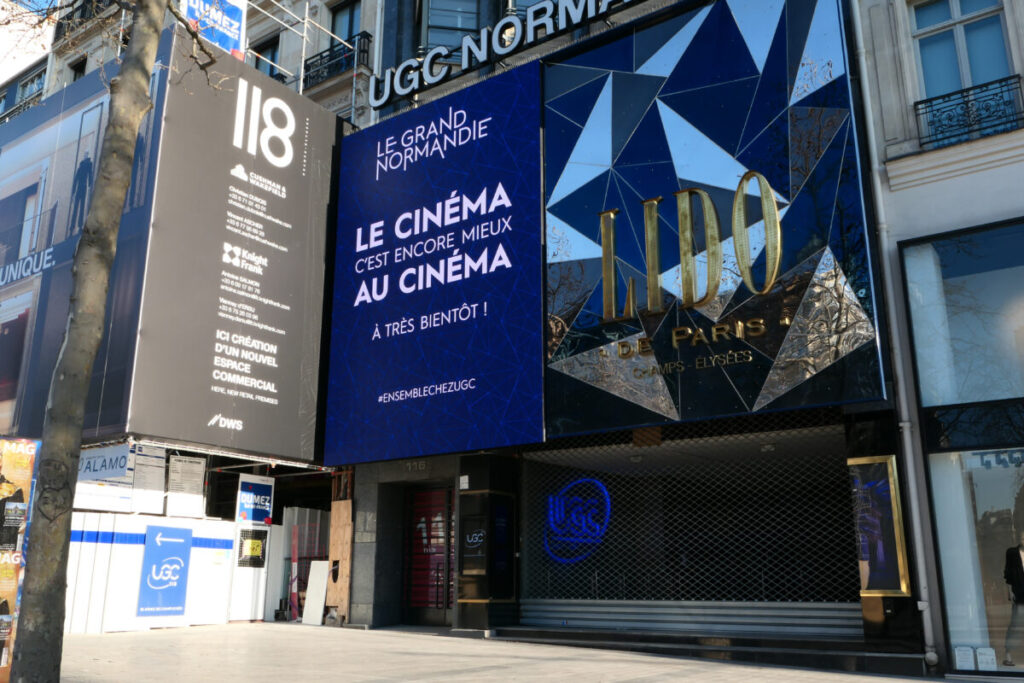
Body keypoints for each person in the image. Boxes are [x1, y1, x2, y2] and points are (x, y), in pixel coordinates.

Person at [1003, 530, 1024, 666]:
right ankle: (1008, 655)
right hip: (1020, 593)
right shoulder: (1012, 552)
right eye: (1022, 537)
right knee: (1017, 624)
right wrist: (1010, 591)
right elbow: (1008, 573)